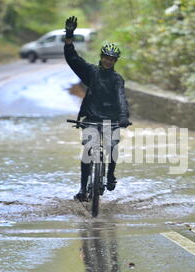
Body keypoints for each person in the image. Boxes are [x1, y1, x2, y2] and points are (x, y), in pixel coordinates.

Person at [64, 16, 131, 202]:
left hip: (112, 119)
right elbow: (72, 58)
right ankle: (82, 189)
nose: (108, 61)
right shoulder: (91, 72)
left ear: (115, 61)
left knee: (112, 146)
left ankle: (110, 175)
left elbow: (121, 99)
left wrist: (124, 118)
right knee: (87, 151)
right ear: (101, 57)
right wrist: (69, 35)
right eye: (106, 57)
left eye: (112, 59)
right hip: (92, 118)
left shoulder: (117, 79)